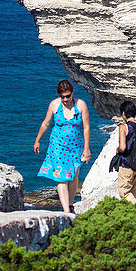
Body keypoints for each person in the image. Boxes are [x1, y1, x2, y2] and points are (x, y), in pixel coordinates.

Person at [34, 79, 91, 214]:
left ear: (72, 93)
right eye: (62, 97)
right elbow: (46, 124)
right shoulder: (54, 105)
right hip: (58, 146)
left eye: (67, 96)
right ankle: (66, 212)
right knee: (61, 177)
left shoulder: (81, 105)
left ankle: (70, 205)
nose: (65, 99)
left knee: (73, 176)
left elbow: (86, 128)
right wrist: (38, 140)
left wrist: (86, 149)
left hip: (77, 147)